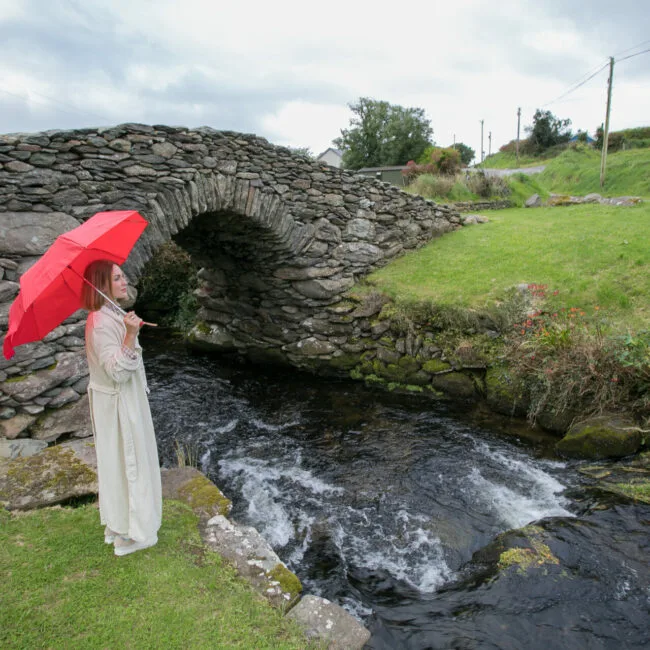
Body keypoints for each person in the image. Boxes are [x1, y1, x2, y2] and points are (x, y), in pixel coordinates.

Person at [82, 260, 162, 557]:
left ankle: (123, 524)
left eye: (123, 276)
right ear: (101, 285)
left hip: (124, 398)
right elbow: (116, 370)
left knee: (123, 461)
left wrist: (130, 328)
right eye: (117, 278)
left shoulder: (111, 313)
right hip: (118, 402)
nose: (124, 282)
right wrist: (130, 335)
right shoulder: (100, 323)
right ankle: (136, 532)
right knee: (130, 461)